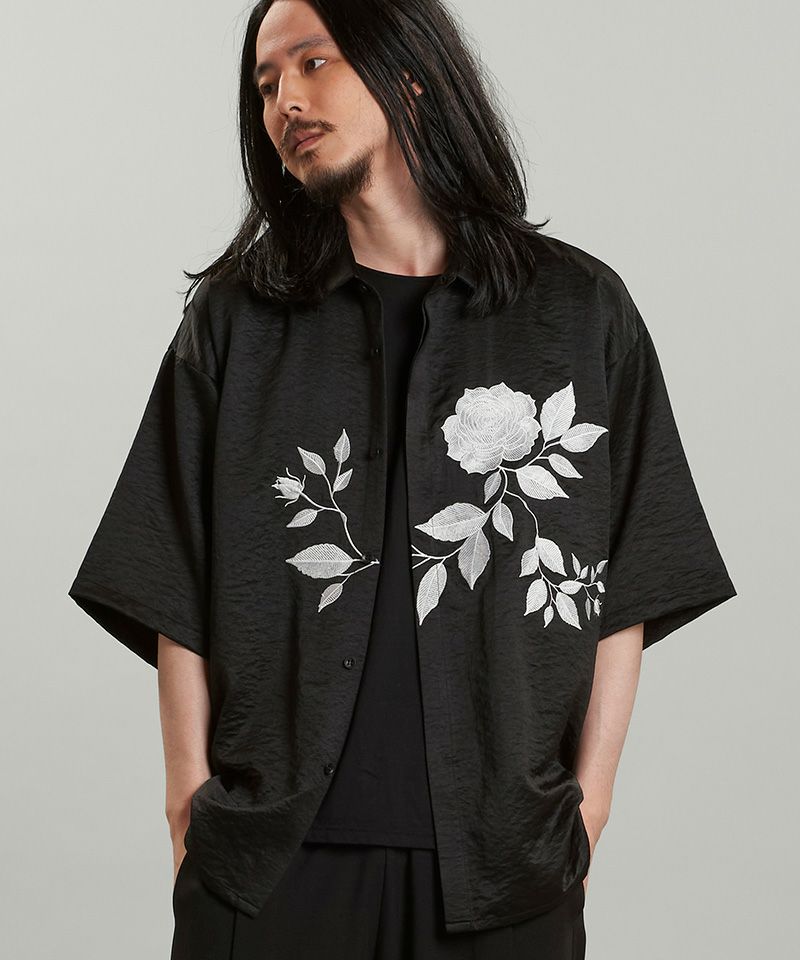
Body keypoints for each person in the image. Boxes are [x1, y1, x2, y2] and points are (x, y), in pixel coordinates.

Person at [67, 0, 738, 957]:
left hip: (503, 872)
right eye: (265, 84)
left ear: (409, 73)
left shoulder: (579, 311)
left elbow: (630, 572)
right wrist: (187, 809)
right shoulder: (238, 320)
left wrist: (588, 809)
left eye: (313, 63)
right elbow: (172, 570)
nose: (285, 102)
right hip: (269, 871)